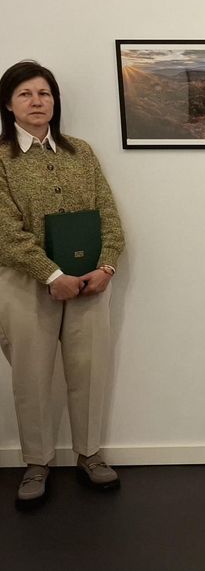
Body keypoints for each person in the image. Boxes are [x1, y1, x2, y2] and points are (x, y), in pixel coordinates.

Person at [0, 61, 125, 509]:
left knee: (89, 371)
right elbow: (4, 230)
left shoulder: (80, 152)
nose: (37, 102)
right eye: (26, 95)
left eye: (45, 94)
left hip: (89, 283)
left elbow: (108, 213)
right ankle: (36, 463)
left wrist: (106, 266)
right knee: (32, 378)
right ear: (8, 104)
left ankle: (89, 454)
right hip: (25, 283)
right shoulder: (1, 158)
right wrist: (52, 275)